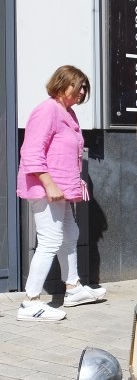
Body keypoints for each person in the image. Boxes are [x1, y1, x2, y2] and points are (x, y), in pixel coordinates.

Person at [17, 66, 106, 321]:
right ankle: (30, 302)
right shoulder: (47, 110)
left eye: (84, 88)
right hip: (47, 189)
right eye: (78, 86)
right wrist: (49, 184)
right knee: (50, 240)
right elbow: (31, 151)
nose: (82, 92)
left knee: (70, 234)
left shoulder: (68, 113)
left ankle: (73, 288)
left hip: (60, 189)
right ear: (61, 84)